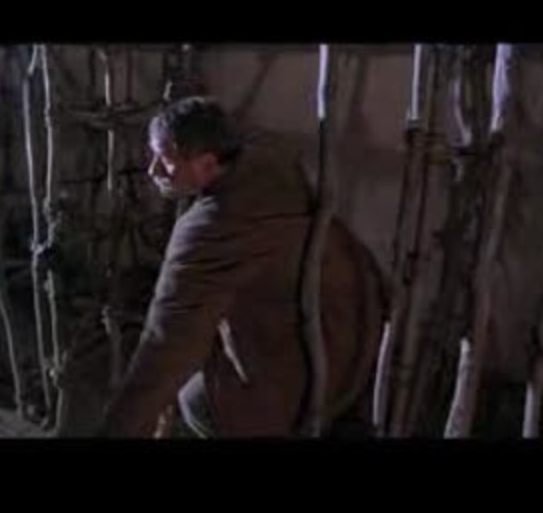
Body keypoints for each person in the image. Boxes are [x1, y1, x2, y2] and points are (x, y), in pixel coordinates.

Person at [98, 96, 386, 437]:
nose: (153, 171)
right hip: (351, 359)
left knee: (195, 400)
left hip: (302, 388)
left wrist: (118, 428)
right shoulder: (275, 169)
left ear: (207, 164)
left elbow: (166, 343)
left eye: (166, 160)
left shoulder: (211, 229)